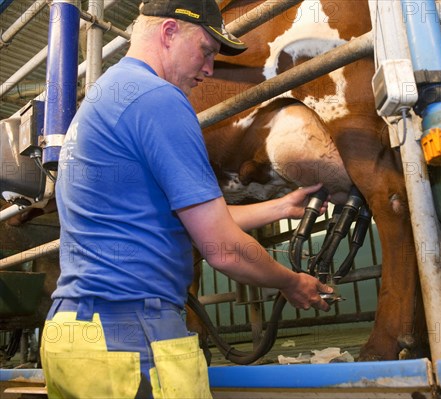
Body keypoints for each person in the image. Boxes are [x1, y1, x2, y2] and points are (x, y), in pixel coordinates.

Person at [40, 0, 333, 397]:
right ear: (168, 33)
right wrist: (291, 281)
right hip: (130, 341)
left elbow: (175, 218)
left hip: (76, 336)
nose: (210, 69)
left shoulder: (108, 95)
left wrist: (280, 206)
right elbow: (223, 248)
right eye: (206, 51)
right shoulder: (157, 99)